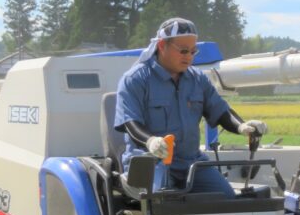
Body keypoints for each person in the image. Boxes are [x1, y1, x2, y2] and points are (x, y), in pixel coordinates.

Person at [114, 17, 268, 197]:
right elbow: (130, 123)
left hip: (191, 163)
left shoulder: (197, 79)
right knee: (161, 201)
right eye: (183, 51)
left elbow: (219, 111)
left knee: (227, 198)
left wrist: (242, 126)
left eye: (193, 51)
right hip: (150, 163)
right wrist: (151, 142)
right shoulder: (135, 79)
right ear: (162, 45)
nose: (189, 57)